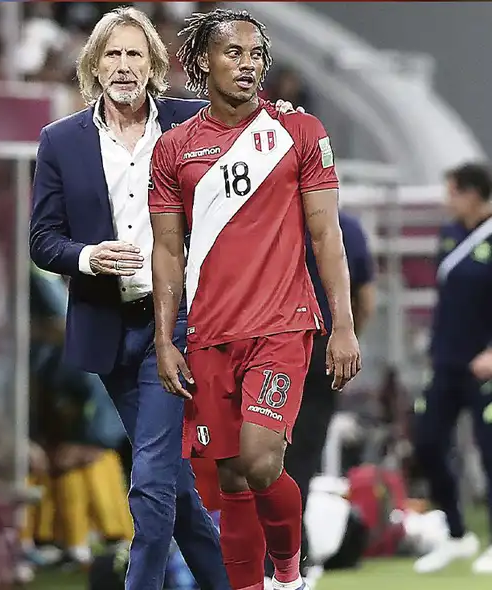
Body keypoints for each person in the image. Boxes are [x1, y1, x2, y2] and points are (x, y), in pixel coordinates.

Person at [148, 9, 361, 590]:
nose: (248, 65)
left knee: (261, 461)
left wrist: (343, 325)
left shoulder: (299, 131)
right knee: (231, 481)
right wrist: (165, 339)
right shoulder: (173, 150)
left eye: (256, 54)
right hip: (209, 333)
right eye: (234, 53)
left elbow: (327, 235)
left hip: (282, 325)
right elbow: (166, 250)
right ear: (202, 61)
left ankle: (288, 575)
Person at [28, 7, 228, 589]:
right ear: (94, 65)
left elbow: (250, 141)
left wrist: (286, 117)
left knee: (151, 481)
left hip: (178, 324)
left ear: (153, 65)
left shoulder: (192, 124)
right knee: (173, 487)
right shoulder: (60, 140)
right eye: (112, 54)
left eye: (134, 54)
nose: (123, 65)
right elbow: (43, 239)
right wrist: (89, 256)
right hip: (111, 328)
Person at [265, 211, 375, 585]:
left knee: (267, 459)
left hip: (273, 349)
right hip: (317, 350)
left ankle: (282, 558)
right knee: (300, 461)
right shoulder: (346, 227)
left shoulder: (271, 219)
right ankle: (292, 558)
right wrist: (346, 338)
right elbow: (365, 298)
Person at [412, 162, 492, 575]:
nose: (447, 202)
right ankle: (457, 533)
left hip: (485, 365)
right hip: (446, 361)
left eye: (453, 193)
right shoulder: (448, 235)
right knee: (426, 441)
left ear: (473, 194)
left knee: (489, 449)